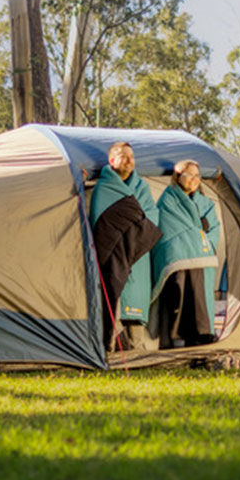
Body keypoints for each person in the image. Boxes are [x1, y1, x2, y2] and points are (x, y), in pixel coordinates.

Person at [89, 142, 161, 349]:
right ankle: (110, 346)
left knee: (135, 302)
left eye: (132, 157)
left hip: (138, 255)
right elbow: (102, 224)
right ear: (112, 160)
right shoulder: (103, 188)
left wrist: (131, 225)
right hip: (113, 254)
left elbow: (152, 218)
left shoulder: (142, 187)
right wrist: (134, 219)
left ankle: (136, 347)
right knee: (114, 298)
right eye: (123, 156)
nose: (129, 161)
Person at [151, 159, 221, 346]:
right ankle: (177, 337)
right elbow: (167, 229)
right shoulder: (168, 201)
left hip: (202, 258)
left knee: (201, 297)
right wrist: (197, 236)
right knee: (179, 294)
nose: (194, 179)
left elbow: (214, 229)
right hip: (178, 259)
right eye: (190, 175)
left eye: (197, 176)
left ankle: (203, 334)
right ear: (178, 176)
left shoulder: (206, 204)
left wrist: (200, 240)